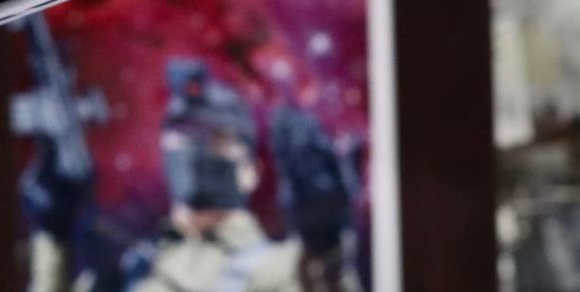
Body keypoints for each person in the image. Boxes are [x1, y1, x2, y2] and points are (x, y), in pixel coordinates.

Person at [24, 59, 360, 292]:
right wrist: (53, 237)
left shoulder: (282, 269)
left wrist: (325, 241)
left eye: (212, 139)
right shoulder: (133, 268)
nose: (192, 152)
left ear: (250, 172)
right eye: (181, 136)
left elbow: (322, 279)